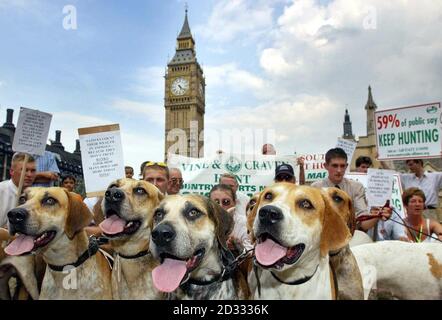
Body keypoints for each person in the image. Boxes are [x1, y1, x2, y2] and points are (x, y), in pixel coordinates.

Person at [311, 147, 387, 232]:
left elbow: (363, 222)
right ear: (325, 166)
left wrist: (378, 215)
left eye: (342, 166)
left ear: (346, 166)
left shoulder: (356, 187)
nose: (339, 170)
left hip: (350, 238)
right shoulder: (315, 189)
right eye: (335, 166)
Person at [209, 184, 252, 250]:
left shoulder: (244, 223)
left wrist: (239, 248)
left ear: (235, 203)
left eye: (226, 202)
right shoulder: (204, 223)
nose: (220, 206)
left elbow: (251, 251)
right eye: (216, 202)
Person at [0, 153, 37, 228]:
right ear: (11, 171)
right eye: (24, 170)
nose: (29, 175)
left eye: (33, 171)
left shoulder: (35, 197)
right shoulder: (1, 190)